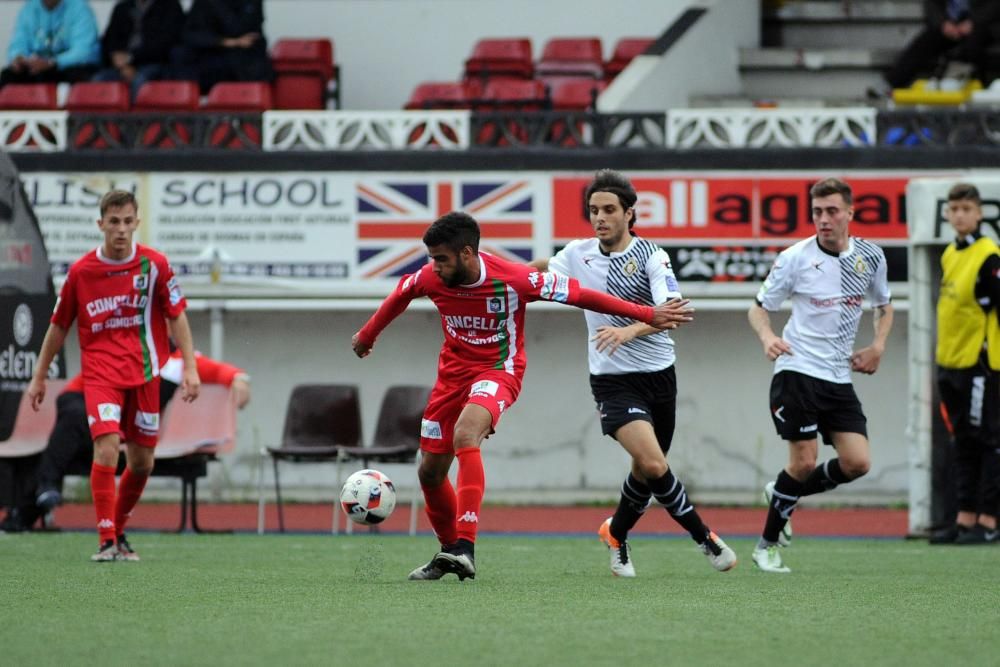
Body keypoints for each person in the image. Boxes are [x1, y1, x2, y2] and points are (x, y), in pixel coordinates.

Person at [352, 211, 693, 581]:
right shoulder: (432, 278)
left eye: (441, 258)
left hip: (499, 371)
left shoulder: (514, 279)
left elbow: (581, 295)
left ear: (467, 253)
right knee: (430, 473)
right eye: (431, 258)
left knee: (466, 434)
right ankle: (449, 551)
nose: (433, 266)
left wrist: (646, 313)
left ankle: (466, 547)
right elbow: (401, 293)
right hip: (450, 380)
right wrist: (367, 336)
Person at [529, 169, 736, 577]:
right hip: (612, 380)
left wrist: (629, 330)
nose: (600, 217)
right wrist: (508, 275)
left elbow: (671, 312)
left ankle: (616, 533)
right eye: (593, 210)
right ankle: (705, 539)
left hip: (659, 376)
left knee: (645, 470)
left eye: (608, 209)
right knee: (655, 465)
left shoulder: (652, 256)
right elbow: (544, 269)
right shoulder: (577, 253)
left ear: (629, 213)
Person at [26, 189, 200, 562]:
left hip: (146, 373)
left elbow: (177, 316)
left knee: (142, 463)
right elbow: (58, 327)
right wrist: (39, 376)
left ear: (136, 223)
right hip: (101, 374)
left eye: (127, 222)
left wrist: (190, 368)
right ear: (100, 224)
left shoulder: (155, 266)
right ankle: (106, 539)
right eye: (113, 222)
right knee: (106, 448)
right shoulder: (81, 273)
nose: (120, 230)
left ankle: (119, 530)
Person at [747, 177, 894, 574]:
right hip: (798, 370)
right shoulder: (795, 257)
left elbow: (885, 304)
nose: (823, 219)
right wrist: (767, 337)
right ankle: (766, 547)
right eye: (817, 212)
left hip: (838, 376)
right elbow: (759, 307)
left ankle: (781, 493)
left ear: (850, 212)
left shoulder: (870, 257)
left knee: (858, 462)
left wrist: (878, 345)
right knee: (804, 461)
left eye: (831, 211)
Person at [0, 348, 249, 533]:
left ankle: (28, 509)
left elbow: (217, 370)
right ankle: (46, 494)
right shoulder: (121, 345)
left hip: (118, 437)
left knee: (68, 444)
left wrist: (239, 378)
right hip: (85, 409)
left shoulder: (179, 361)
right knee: (76, 420)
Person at [930, 183, 1000, 545]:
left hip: (980, 364)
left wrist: (989, 357)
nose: (959, 215)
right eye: (954, 208)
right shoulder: (949, 254)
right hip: (950, 361)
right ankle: (963, 519)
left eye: (966, 209)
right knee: (961, 442)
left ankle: (988, 522)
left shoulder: (990, 255)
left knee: (986, 440)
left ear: (979, 213)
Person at [884, 0, 1000, 90]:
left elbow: (994, 5)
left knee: (973, 45)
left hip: (982, 25)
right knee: (925, 42)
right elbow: (932, 4)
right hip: (949, 23)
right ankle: (891, 84)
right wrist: (943, 23)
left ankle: (980, 87)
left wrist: (974, 22)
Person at [92, 0, 186, 101]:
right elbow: (110, 41)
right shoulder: (122, 8)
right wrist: (121, 64)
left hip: (154, 65)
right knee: (98, 80)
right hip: (121, 67)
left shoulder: (171, 7)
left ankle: (135, 117)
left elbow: (166, 44)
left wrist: (131, 58)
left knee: (140, 82)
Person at [174, 0, 272, 94]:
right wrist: (226, 42)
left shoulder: (250, 3)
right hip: (210, 56)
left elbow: (246, 34)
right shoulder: (204, 3)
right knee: (180, 55)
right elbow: (191, 34)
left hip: (244, 60)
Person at [0, 0, 100, 87]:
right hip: (36, 67)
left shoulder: (79, 7)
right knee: (8, 76)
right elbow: (18, 42)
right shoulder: (29, 8)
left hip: (66, 67)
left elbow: (84, 52)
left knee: (76, 76)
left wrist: (53, 62)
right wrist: (18, 57)